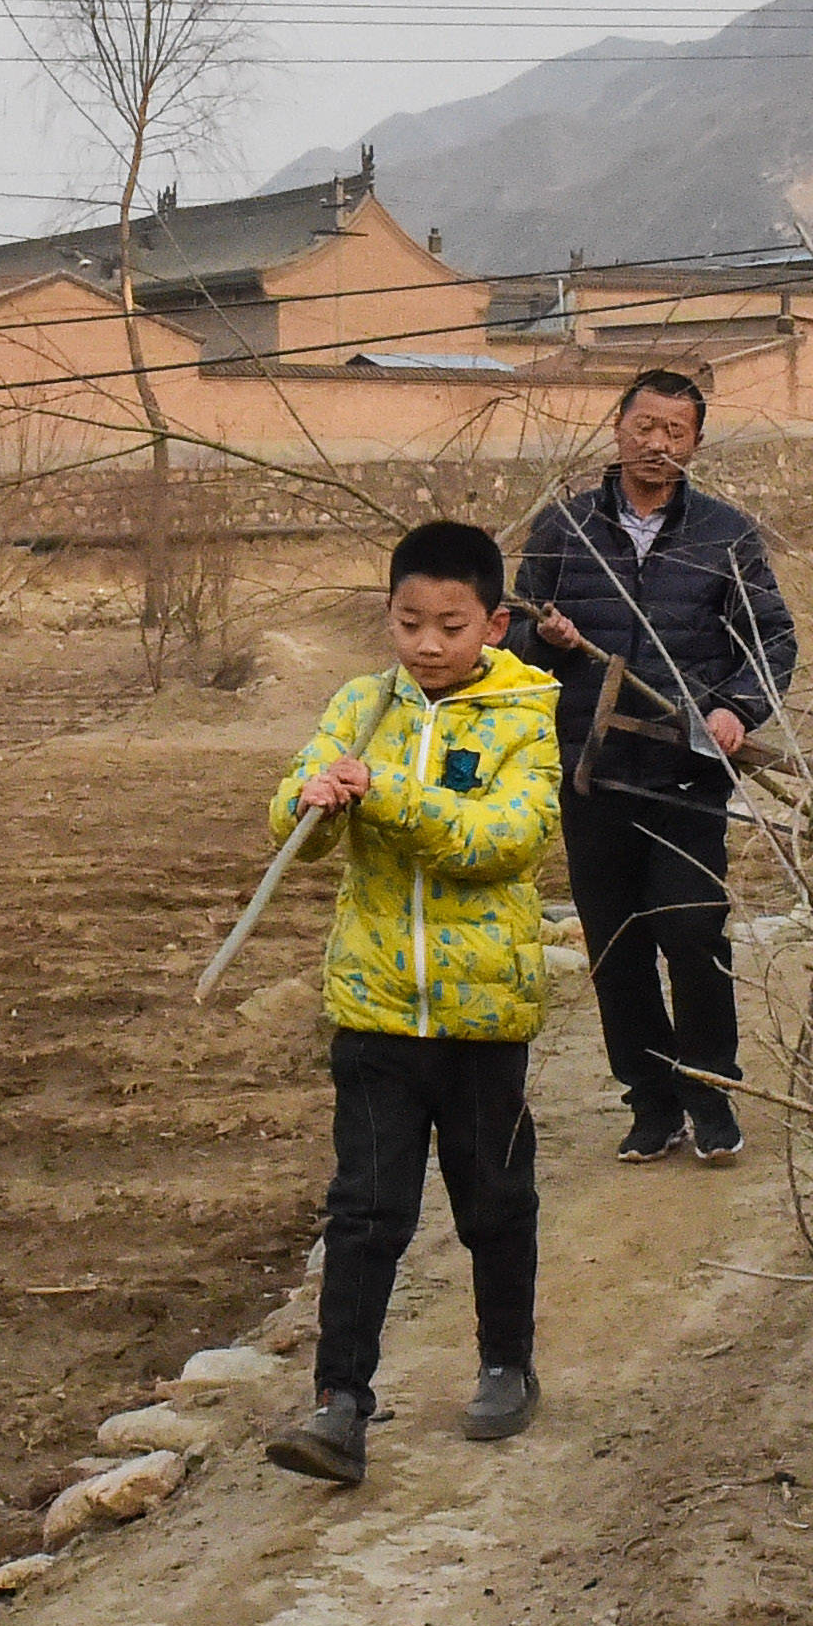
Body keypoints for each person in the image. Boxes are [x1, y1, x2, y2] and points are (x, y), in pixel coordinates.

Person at [258, 520, 562, 1487]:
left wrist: (387, 795)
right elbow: (287, 833)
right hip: (375, 1010)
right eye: (407, 623)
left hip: (481, 1019)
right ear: (386, 619)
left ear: (494, 625)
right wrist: (312, 797)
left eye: (450, 624)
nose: (427, 645)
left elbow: (500, 842)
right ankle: (339, 1404)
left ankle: (506, 1364)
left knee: (494, 1201)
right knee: (366, 1208)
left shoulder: (524, 715)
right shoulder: (359, 704)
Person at [512, 368, 799, 1165]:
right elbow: (512, 640)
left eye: (676, 432)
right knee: (616, 945)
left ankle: (710, 1095)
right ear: (617, 429)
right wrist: (549, 641)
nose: (657, 445)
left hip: (686, 775)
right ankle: (649, 1103)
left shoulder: (723, 535)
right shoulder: (562, 531)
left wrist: (734, 710)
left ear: (696, 444)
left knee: (692, 932)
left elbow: (771, 640)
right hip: (592, 773)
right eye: (645, 427)